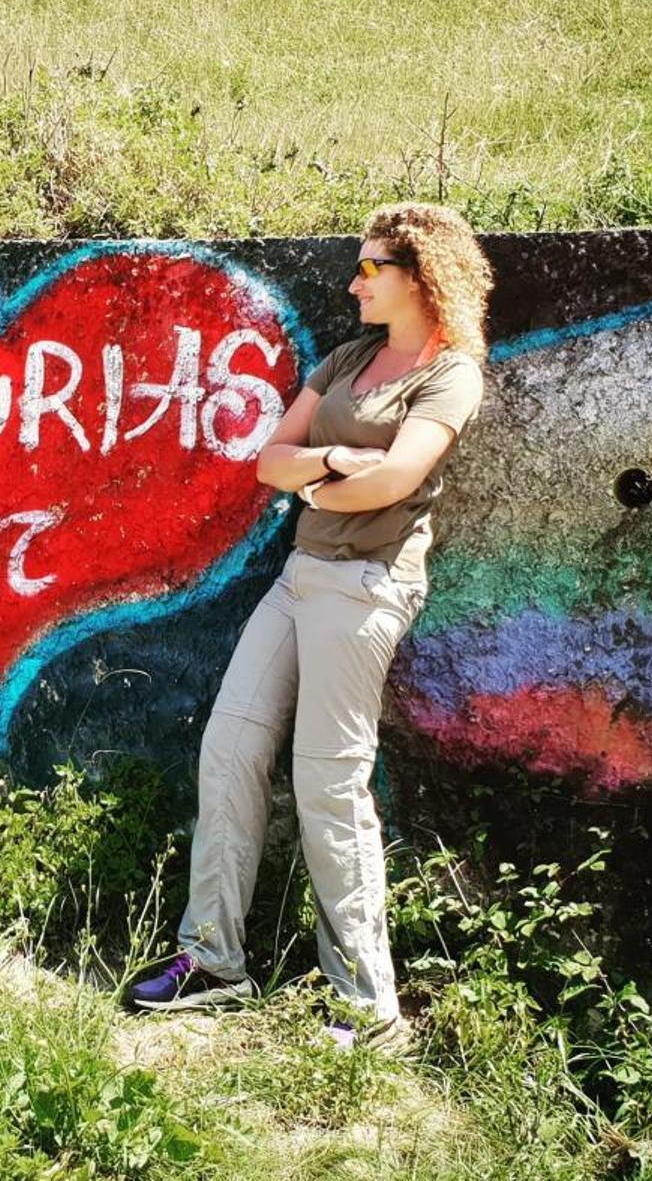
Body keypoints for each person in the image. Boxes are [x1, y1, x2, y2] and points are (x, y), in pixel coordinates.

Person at [128, 203, 493, 1050]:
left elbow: (398, 479)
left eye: (372, 268)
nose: (354, 281)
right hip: (300, 581)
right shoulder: (350, 357)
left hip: (367, 587)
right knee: (229, 749)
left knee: (329, 783)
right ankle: (214, 964)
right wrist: (330, 465)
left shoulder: (450, 373)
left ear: (420, 277)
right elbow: (270, 459)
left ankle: (370, 1009)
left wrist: (324, 485)